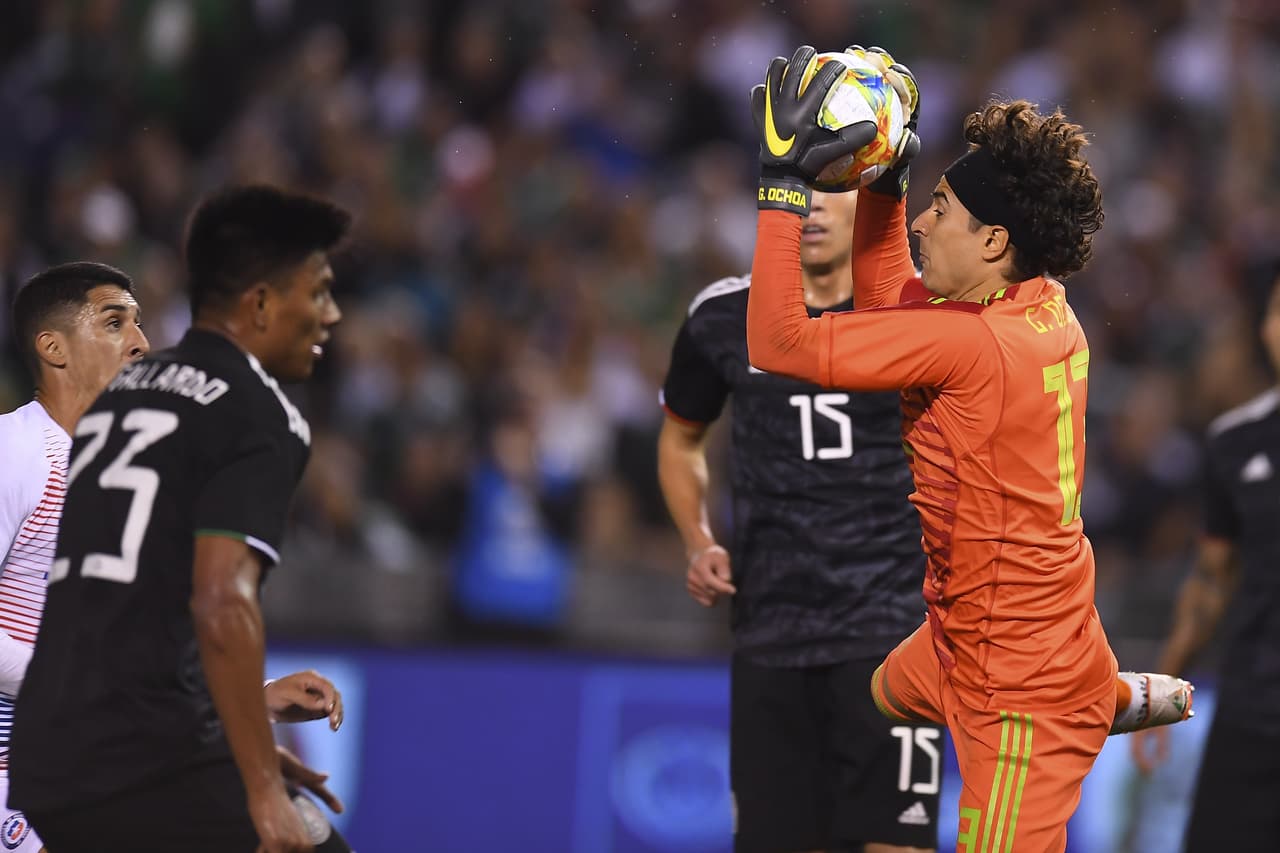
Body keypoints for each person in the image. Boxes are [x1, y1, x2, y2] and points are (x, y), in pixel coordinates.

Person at [743, 46, 1191, 852]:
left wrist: (782, 184)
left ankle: (1082, 705)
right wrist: (885, 185)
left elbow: (779, 342)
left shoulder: (974, 345)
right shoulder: (1039, 307)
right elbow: (890, 305)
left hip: (1016, 689)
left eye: (940, 209)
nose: (921, 222)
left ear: (993, 242)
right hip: (1005, 626)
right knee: (886, 691)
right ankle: (1103, 692)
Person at [9, 187, 352, 853]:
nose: (331, 314)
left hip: (60, 756)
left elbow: (120, 622)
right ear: (261, 304)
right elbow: (222, 601)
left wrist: (237, 731)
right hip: (116, 753)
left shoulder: (116, 411)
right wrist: (255, 781)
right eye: (317, 292)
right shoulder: (256, 412)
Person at [658, 187, 940, 853]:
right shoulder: (721, 316)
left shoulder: (917, 312)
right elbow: (680, 439)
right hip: (771, 634)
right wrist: (698, 539)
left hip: (893, 633)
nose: (812, 207)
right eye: (797, 189)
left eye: (831, 190)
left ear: (867, 199)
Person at [1130, 266, 1280, 851]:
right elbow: (1211, 581)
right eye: (1276, 312)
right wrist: (1163, 695)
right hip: (1251, 710)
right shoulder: (1235, 441)